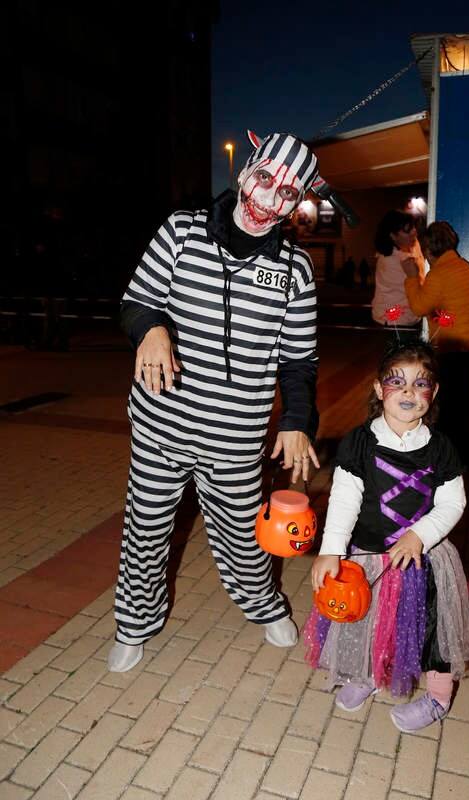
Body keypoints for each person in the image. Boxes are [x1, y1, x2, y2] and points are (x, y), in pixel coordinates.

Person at [107, 130, 325, 673]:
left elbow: (299, 361)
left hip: (236, 436)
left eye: (286, 192)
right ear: (246, 170)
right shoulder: (181, 233)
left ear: (296, 203)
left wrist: (297, 420)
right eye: (264, 179)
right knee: (147, 528)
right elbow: (136, 301)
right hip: (162, 423)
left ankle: (263, 606)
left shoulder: (295, 272)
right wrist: (151, 328)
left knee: (243, 536)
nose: (268, 198)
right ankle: (135, 624)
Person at [302, 340, 469, 732]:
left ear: (434, 393)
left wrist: (420, 534)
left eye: (421, 383)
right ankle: (368, 674)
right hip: (368, 556)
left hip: (424, 560)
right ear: (380, 390)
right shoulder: (358, 443)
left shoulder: (441, 448)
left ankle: (437, 698)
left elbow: (452, 504)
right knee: (365, 620)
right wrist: (331, 551)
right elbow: (344, 501)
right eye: (398, 382)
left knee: (432, 630)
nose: (410, 392)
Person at [402, 221, 469, 465]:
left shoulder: (439, 274)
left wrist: (411, 278)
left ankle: (448, 459)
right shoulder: (465, 268)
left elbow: (419, 307)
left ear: (428, 251)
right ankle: (463, 454)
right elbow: (452, 312)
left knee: (449, 406)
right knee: (466, 401)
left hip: (454, 349)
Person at [371, 210, 425, 345]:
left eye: (413, 228)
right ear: (393, 236)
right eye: (407, 231)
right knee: (402, 363)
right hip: (397, 322)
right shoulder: (399, 260)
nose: (413, 233)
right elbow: (421, 285)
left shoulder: (391, 254)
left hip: (394, 320)